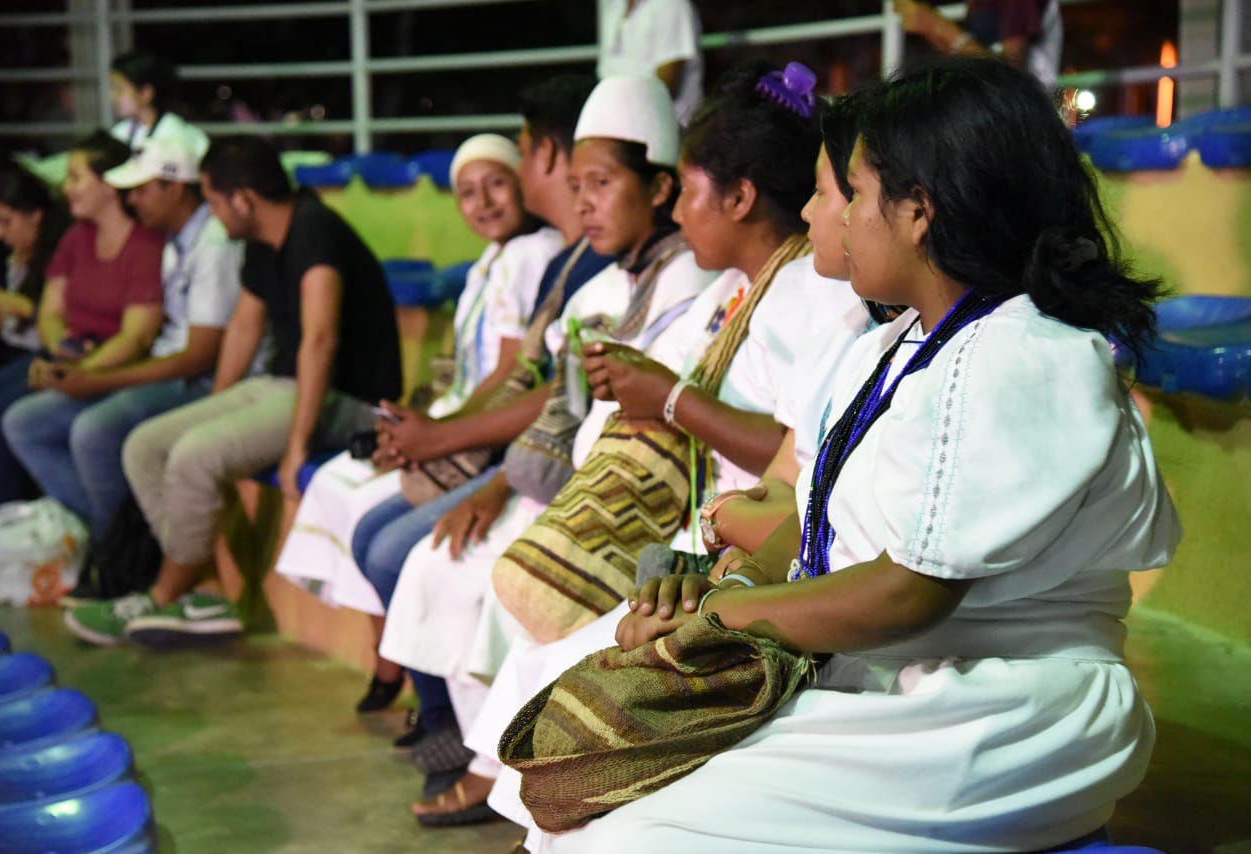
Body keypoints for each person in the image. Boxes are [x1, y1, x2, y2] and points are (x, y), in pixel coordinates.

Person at [539, 57, 1179, 853]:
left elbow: (906, 596)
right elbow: (816, 517)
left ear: (920, 209)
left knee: (624, 836)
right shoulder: (901, 340)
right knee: (596, 795)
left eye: (853, 192)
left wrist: (721, 615)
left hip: (1003, 709)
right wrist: (730, 580)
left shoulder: (1022, 355)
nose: (826, 216)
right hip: (896, 676)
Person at [383, 65, 866, 827]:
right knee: (536, 642)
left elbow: (800, 454)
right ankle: (509, 781)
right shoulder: (741, 287)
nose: (812, 213)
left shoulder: (813, 292)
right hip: (710, 529)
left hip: (741, 542)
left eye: (832, 196)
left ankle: (518, 788)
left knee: (569, 664)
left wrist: (670, 399)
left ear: (737, 198)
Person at [317, 74, 614, 730]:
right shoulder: (566, 258)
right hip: (523, 454)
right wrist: (438, 430)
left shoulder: (580, 259)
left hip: (555, 468)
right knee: (373, 533)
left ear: (542, 159)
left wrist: (447, 440)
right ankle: (438, 716)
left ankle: (458, 734)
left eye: (516, 155)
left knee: (396, 548)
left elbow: (549, 392)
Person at [64, 135, 401, 647]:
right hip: (280, 384)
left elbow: (320, 339)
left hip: (348, 398)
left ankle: (163, 593)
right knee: (145, 446)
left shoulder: (313, 230)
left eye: (214, 200)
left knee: (195, 457)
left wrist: (296, 447)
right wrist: (213, 408)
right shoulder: (261, 239)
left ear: (242, 198)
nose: (213, 212)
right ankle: (202, 591)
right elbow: (245, 326)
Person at [274, 132, 564, 712]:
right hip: (462, 420)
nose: (482, 203)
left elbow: (510, 374)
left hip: (492, 436)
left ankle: (404, 680)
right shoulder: (490, 262)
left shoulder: (534, 254)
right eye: (467, 193)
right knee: (336, 483)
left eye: (496, 186)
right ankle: (388, 661)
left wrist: (437, 434)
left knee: (368, 517)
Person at [2, 134, 243, 545]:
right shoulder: (174, 238)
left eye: (143, 190)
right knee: (26, 422)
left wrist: (96, 379)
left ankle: (125, 555)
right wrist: (78, 368)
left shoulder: (213, 246)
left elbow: (198, 357)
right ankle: (107, 543)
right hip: (164, 369)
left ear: (175, 188)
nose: (133, 200)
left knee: (93, 431)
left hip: (201, 381)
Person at [0, 132, 164, 551]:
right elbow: (50, 313)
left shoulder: (145, 244)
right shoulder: (78, 237)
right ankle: (6, 540)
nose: (66, 187)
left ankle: (112, 544)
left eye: (76, 177)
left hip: (113, 363)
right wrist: (60, 350)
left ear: (109, 185)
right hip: (67, 354)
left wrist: (79, 370)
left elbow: (137, 336)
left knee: (12, 422)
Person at [0, 165, 71, 556]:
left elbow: (58, 324)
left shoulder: (65, 250)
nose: (1, 234)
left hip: (52, 353)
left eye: (6, 222)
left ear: (36, 215)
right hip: (16, 350)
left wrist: (26, 310)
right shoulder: (17, 258)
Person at [894, 0, 1063, 89]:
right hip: (993, 108)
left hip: (1022, 116)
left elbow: (1010, 76)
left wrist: (938, 27)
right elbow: (965, 57)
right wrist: (931, 27)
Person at [597, 0, 704, 124]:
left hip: (671, 128)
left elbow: (666, 87)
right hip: (621, 122)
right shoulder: (610, 4)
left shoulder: (671, 4)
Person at [108, 50, 209, 154]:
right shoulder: (119, 133)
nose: (112, 96)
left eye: (119, 89)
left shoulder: (178, 134)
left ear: (146, 93)